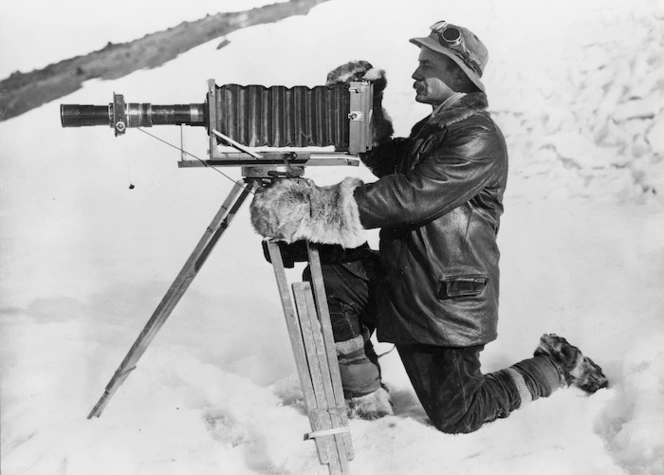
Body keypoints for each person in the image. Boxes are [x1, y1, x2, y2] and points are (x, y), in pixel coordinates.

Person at [249, 21, 608, 433]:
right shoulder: (438, 128)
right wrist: (365, 107)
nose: (415, 74)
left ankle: (555, 366)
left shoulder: (476, 136)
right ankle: (365, 395)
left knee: (460, 416)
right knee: (328, 278)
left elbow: (411, 194)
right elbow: (391, 163)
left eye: (426, 65)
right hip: (407, 279)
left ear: (458, 74)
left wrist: (312, 208)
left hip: (441, 298)